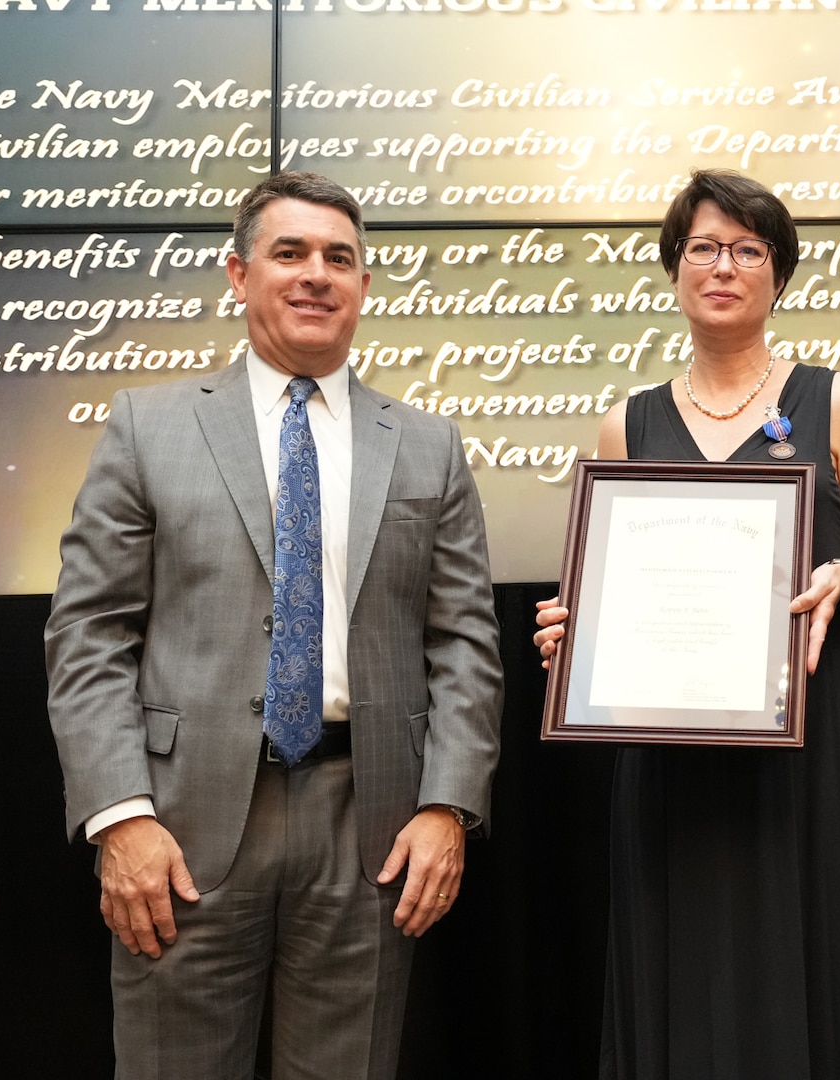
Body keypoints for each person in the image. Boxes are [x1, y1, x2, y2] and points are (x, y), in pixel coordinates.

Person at [45, 171, 504, 1079]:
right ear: (238, 273)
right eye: (288, 253)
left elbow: (464, 643)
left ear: (364, 288)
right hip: (180, 832)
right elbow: (88, 634)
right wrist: (120, 818)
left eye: (340, 258)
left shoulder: (428, 443)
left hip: (369, 829)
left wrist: (448, 804)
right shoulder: (149, 427)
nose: (315, 275)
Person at [535, 168, 840, 1078]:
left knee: (833, 962)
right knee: (693, 978)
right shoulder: (623, 425)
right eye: (704, 248)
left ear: (778, 276)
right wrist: (575, 638)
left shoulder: (839, 401)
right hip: (674, 752)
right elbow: (603, 585)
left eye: (748, 249)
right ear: (675, 269)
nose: (724, 265)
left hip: (823, 738)